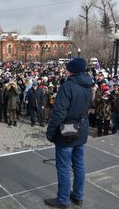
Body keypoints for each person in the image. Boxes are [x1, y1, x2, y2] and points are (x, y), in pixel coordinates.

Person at [45, 58, 93, 208]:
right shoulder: (89, 85)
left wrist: (50, 132)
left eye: (67, 69)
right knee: (79, 165)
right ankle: (78, 196)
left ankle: (63, 199)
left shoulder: (68, 86)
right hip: (82, 128)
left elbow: (59, 112)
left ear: (72, 70)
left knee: (64, 167)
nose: (65, 71)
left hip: (67, 131)